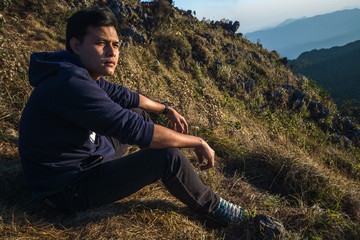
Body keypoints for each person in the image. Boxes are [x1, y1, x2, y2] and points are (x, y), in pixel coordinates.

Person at [19, 7, 282, 234]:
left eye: (116, 44)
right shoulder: (70, 82)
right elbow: (134, 131)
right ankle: (217, 208)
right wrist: (196, 141)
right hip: (65, 189)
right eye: (101, 43)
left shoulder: (76, 71)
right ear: (76, 45)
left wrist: (165, 108)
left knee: (137, 113)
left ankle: (148, 171)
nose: (112, 52)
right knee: (166, 157)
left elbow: (125, 96)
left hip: (85, 154)